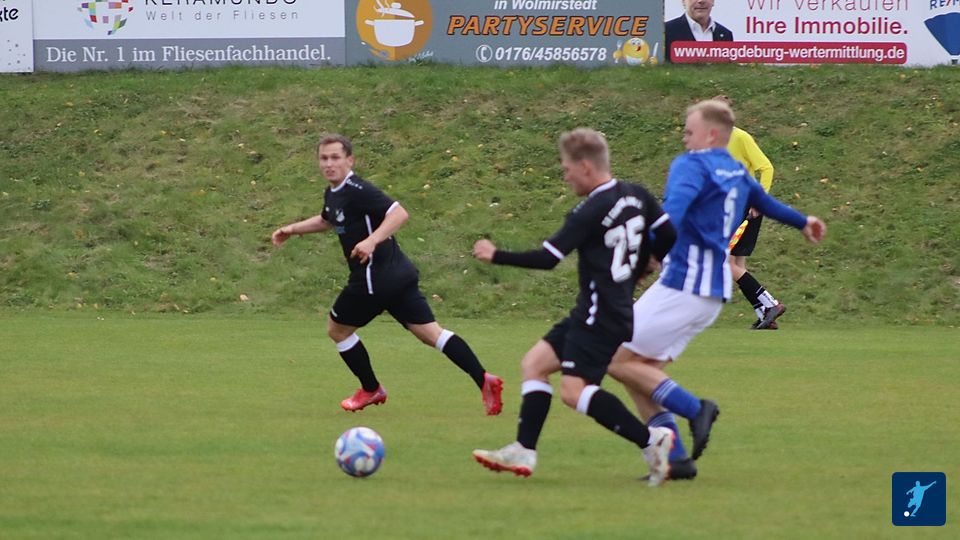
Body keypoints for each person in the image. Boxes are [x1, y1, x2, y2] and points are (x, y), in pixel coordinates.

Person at [607, 100, 826, 480]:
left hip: (684, 284)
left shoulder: (690, 165)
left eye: (688, 130)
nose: (684, 137)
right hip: (710, 290)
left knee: (615, 359)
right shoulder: (737, 172)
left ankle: (696, 410)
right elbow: (766, 203)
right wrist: (803, 221)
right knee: (639, 372)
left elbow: (672, 214)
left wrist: (647, 255)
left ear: (710, 135)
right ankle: (677, 459)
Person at [470, 128, 678, 486]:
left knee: (574, 391)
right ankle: (524, 449)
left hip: (600, 315)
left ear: (585, 167)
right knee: (534, 364)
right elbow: (669, 235)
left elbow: (548, 258)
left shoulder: (589, 210)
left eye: (567, 169)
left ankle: (651, 439)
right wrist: (644, 263)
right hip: (602, 310)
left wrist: (496, 254)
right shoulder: (637, 194)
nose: (565, 176)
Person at [271, 133, 504, 415]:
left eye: (335, 158)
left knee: (337, 330)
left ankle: (371, 389)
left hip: (373, 279)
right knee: (432, 334)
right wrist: (292, 229)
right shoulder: (334, 193)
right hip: (398, 275)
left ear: (350, 160)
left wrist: (372, 240)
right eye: (324, 158)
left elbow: (399, 214)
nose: (329, 164)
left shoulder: (358, 189)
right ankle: (484, 379)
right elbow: (326, 220)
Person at [714, 94, 785, 330]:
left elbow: (766, 167)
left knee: (726, 264)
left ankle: (771, 304)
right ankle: (764, 311)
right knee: (737, 264)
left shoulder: (741, 137)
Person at [664, 0, 734, 63]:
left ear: (713, 1)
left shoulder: (725, 35)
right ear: (683, 1)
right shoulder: (666, 31)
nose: (701, 1)